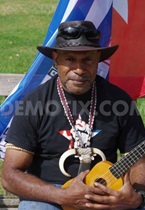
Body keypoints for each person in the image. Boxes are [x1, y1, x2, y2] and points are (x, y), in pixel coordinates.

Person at [1, 20, 145, 210]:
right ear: (56, 59)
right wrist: (61, 196)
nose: (79, 69)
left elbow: (138, 160)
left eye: (87, 60)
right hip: (48, 194)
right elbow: (10, 175)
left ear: (98, 59)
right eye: (70, 59)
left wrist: (136, 195)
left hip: (105, 191)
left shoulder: (119, 101)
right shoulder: (33, 103)